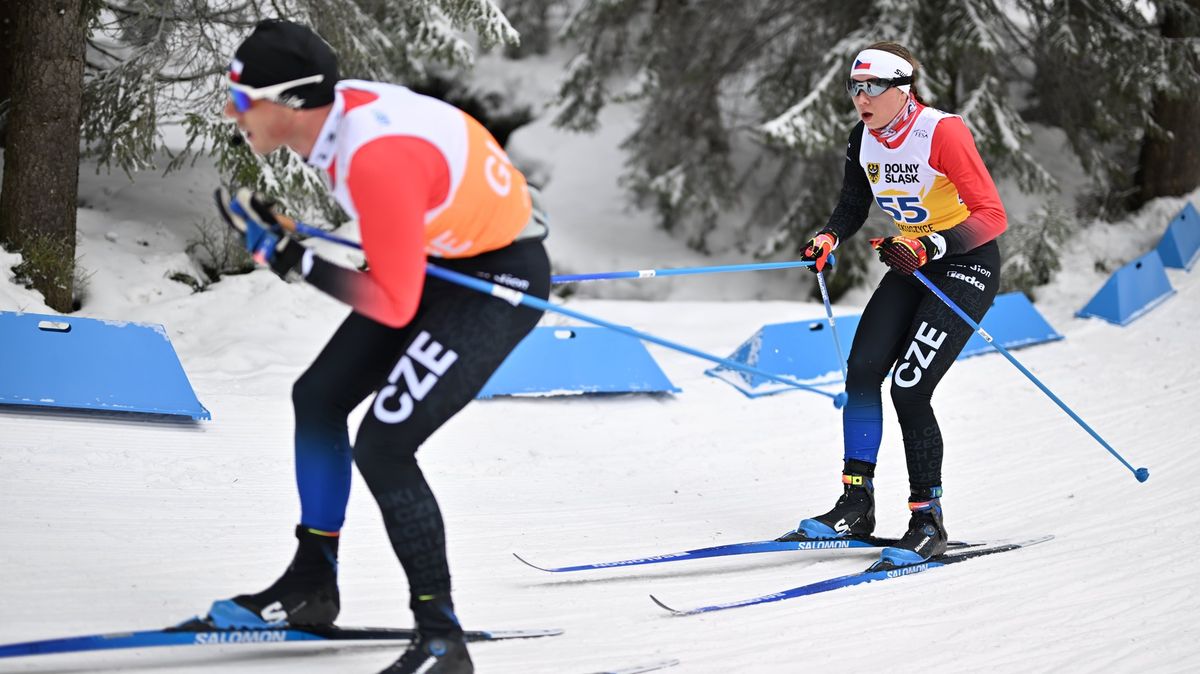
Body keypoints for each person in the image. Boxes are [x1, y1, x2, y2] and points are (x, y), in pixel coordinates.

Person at [208, 19, 550, 674]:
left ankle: (442, 640)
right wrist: (293, 239)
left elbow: (392, 298)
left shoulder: (371, 155)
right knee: (318, 397)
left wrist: (290, 259)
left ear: (292, 102)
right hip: (448, 258)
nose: (232, 112)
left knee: (385, 444)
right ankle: (312, 582)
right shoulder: (336, 123)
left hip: (497, 279)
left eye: (245, 99)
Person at [794, 42, 1005, 565]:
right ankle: (856, 505)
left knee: (909, 389)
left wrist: (931, 244)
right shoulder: (863, 139)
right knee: (862, 372)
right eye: (854, 87)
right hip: (912, 263)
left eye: (871, 88)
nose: (860, 98)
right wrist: (829, 237)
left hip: (965, 264)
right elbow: (853, 203)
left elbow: (991, 214)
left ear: (902, 88)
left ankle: (926, 519)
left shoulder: (942, 131)